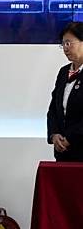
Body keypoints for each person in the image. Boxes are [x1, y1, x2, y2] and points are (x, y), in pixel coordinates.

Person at [47, 22, 83, 161]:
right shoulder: (63, 72)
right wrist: (54, 135)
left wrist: (71, 138)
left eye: (69, 43)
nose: (65, 48)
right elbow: (53, 109)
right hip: (63, 150)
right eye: (63, 44)